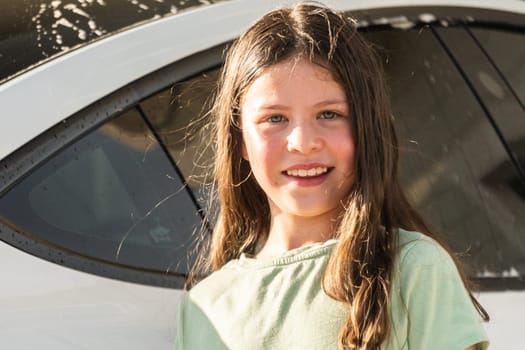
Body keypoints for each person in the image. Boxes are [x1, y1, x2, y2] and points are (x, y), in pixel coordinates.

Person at [174, 3, 489, 350]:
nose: (303, 143)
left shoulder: (415, 269)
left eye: (329, 113)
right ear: (239, 140)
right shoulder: (203, 306)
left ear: (366, 126)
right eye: (275, 118)